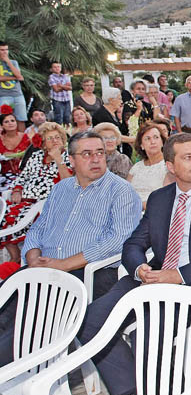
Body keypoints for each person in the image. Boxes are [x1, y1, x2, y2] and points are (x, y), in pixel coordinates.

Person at [76, 133, 191, 395]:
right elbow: (134, 243)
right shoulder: (160, 198)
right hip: (150, 278)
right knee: (88, 319)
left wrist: (178, 275)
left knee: (149, 328)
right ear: (171, 166)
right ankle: (131, 388)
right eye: (188, 158)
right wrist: (139, 267)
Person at [20, 130, 141, 297]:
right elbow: (39, 227)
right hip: (45, 267)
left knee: (40, 316)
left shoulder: (120, 190)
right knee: (7, 303)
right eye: (86, 154)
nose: (96, 159)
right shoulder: (61, 189)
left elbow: (118, 240)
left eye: (100, 152)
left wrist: (64, 264)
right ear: (71, 160)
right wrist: (33, 257)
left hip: (89, 271)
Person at [0, 122, 71, 263]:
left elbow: (68, 183)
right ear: (44, 143)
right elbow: (22, 177)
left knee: (21, 216)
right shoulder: (36, 157)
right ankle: (14, 255)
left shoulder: (69, 157)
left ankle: (25, 258)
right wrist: (17, 190)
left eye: (58, 137)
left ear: (63, 140)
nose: (55, 141)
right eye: (50, 138)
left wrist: (58, 159)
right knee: (6, 213)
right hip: (25, 200)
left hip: (48, 204)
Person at [128, 122, 169, 208]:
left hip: (156, 211)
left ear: (162, 142)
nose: (152, 142)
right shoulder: (136, 168)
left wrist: (137, 206)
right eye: (147, 139)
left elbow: (166, 198)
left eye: (156, 137)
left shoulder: (168, 166)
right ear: (142, 145)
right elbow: (125, 193)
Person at [93, 87, 134, 157]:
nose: (121, 102)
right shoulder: (102, 115)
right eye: (119, 99)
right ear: (111, 100)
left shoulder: (112, 113)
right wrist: (135, 139)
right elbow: (115, 136)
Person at [0, 108, 29, 188]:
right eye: (6, 122)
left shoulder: (25, 137)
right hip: (3, 176)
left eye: (12, 121)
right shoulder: (0, 139)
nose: (10, 123)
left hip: (24, 174)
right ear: (2, 125)